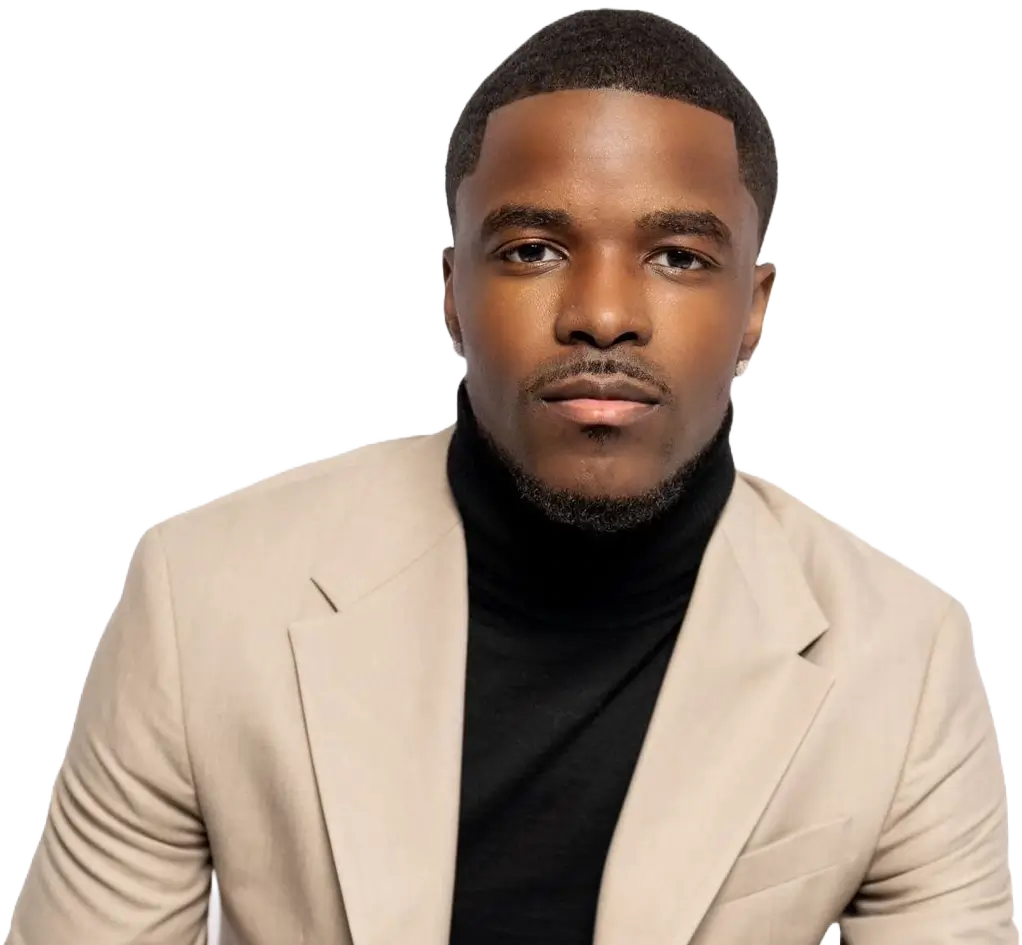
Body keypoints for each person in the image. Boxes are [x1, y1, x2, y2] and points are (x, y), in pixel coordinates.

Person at [8, 9, 1015, 945]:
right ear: (453, 294)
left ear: (752, 310)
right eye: (533, 249)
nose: (603, 315)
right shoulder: (204, 596)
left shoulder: (901, 657)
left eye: (676, 256)